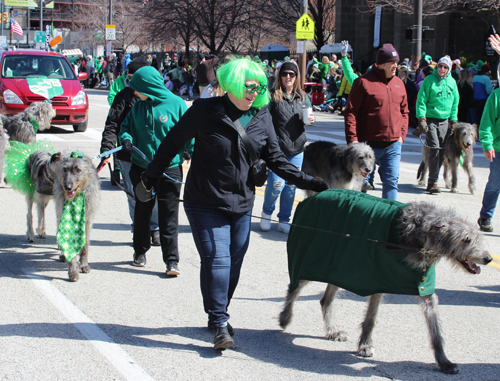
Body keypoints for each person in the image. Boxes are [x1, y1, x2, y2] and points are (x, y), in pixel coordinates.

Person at [140, 57, 328, 350]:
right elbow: (171, 144)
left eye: (258, 87)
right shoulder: (203, 111)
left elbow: (276, 159)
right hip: (204, 199)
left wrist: (312, 182)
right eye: (247, 87)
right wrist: (149, 179)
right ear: (231, 84)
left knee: (233, 263)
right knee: (218, 258)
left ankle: (217, 310)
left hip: (242, 201)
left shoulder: (261, 114)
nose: (253, 93)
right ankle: (218, 321)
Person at [118, 66, 194, 276]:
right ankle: (140, 251)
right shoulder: (138, 107)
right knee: (142, 212)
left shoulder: (177, 104)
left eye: (137, 88)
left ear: (149, 86)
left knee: (169, 216)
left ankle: (172, 261)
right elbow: (125, 128)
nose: (134, 92)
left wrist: (193, 154)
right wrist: (126, 140)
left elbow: (190, 134)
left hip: (170, 169)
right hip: (142, 168)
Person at [100, 57, 158, 244]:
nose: (131, 84)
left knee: (155, 194)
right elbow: (112, 125)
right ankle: (138, 229)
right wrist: (107, 150)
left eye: (135, 79)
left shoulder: (160, 99)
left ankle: (155, 228)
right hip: (127, 156)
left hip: (153, 156)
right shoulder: (123, 97)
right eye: (129, 78)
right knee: (133, 195)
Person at [344, 43, 409, 200]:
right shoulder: (363, 82)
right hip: (367, 146)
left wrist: (401, 136)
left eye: (396, 62)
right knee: (360, 185)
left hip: (393, 145)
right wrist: (353, 140)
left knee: (391, 183)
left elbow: (405, 111)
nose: (395, 66)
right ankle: (359, 218)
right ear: (381, 63)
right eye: (392, 62)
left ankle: (387, 220)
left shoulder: (399, 83)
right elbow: (351, 112)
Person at [260, 60, 314, 234]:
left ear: (296, 77)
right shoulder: (272, 96)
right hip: (277, 149)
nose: (288, 77)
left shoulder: (303, 97)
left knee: (291, 185)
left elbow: (309, 117)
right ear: (279, 76)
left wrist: (311, 120)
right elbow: (262, 120)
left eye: (292, 74)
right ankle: (266, 213)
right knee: (276, 184)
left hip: (297, 149)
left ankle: (284, 218)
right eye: (284, 74)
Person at [415, 55, 459, 194]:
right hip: (431, 118)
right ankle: (432, 182)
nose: (442, 69)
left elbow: (455, 103)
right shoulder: (428, 81)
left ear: (449, 69)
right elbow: (421, 101)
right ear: (437, 67)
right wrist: (421, 118)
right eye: (440, 66)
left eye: (445, 67)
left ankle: (434, 179)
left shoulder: (452, 83)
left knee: (441, 151)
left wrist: (454, 120)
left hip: (445, 120)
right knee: (434, 147)